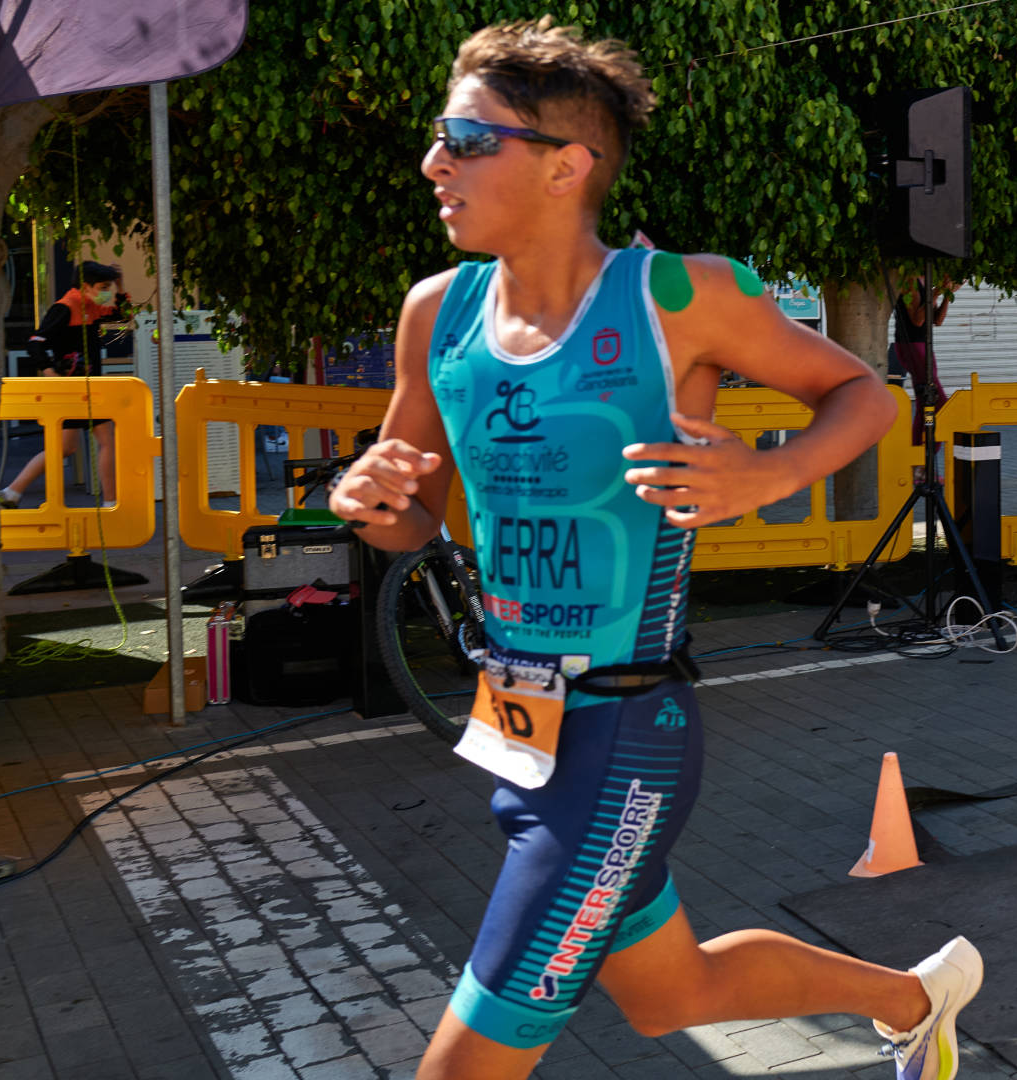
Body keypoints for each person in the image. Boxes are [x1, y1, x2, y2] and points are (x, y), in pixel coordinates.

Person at [327, 21, 981, 1080]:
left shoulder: (679, 298)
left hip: (626, 733)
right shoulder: (435, 318)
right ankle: (919, 996)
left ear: (565, 166)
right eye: (439, 136)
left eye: (465, 137)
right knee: (675, 993)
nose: (433, 162)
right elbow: (410, 518)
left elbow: (865, 392)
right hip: (516, 724)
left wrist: (766, 474)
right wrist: (370, 499)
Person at [0, 261, 127, 508]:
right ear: (86, 286)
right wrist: (49, 370)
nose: (106, 293)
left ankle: (13, 492)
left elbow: (123, 318)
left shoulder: (91, 306)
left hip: (86, 387)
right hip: (75, 388)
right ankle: (110, 502)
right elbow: (34, 342)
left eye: (108, 287)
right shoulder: (65, 308)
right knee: (105, 441)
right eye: (103, 287)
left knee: (64, 447)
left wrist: (121, 288)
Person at [894, 274, 953, 447]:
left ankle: (919, 465)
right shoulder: (909, 281)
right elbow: (918, 320)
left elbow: (937, 320)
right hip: (912, 345)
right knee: (939, 403)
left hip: (924, 346)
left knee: (923, 404)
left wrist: (947, 295)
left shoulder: (926, 281)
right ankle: (925, 458)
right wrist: (937, 292)